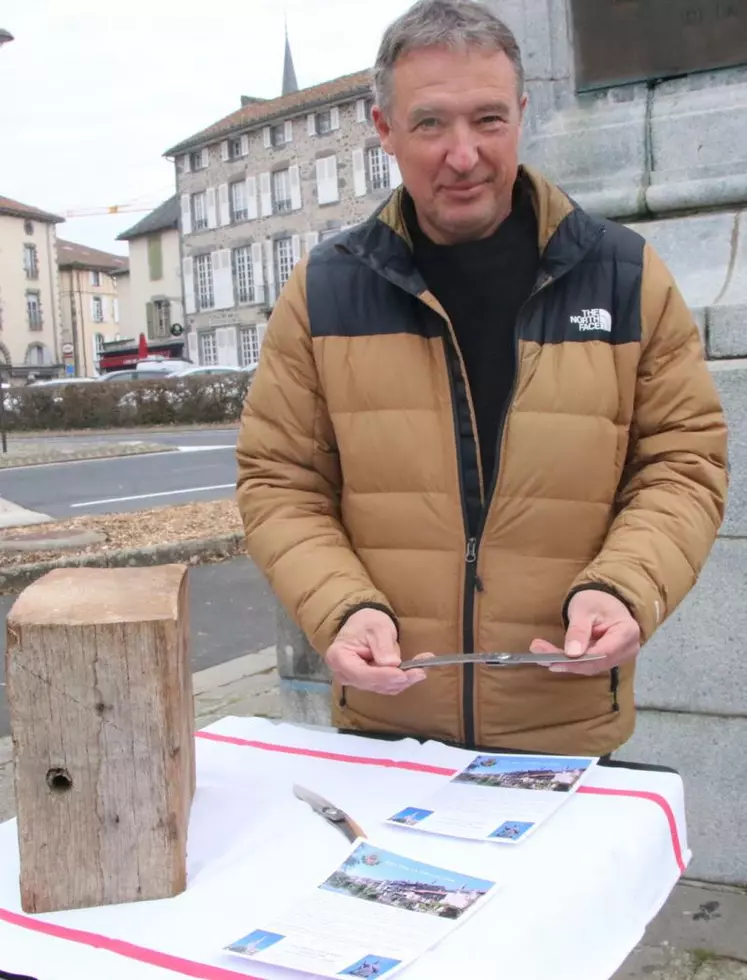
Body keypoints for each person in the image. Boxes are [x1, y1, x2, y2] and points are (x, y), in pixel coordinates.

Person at [235, 0, 728, 756]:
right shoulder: (325, 289)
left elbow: (682, 462)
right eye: (430, 123)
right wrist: (339, 608)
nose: (462, 154)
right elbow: (280, 480)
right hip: (387, 736)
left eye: (488, 120)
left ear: (521, 115)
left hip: (564, 731)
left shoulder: (622, 274)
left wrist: (623, 586)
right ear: (385, 131)